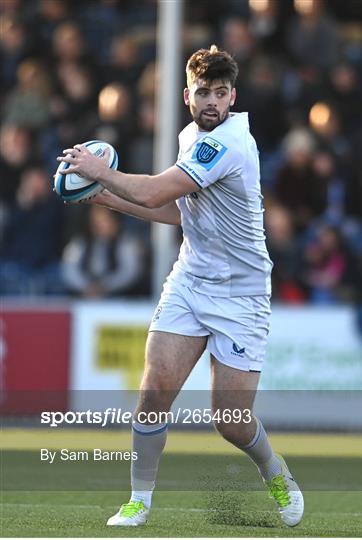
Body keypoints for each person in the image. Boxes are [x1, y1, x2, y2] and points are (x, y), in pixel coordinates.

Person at [57, 45, 304, 528]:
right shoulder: (191, 135)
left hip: (242, 294)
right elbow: (177, 211)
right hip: (191, 280)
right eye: (203, 92)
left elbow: (154, 190)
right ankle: (139, 501)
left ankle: (276, 471)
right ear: (186, 94)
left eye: (220, 92)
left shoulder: (228, 142)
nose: (211, 101)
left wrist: (98, 170)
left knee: (230, 423)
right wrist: (102, 196)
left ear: (232, 97)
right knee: (153, 392)